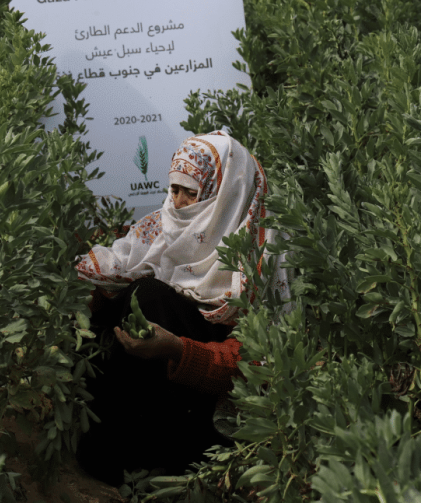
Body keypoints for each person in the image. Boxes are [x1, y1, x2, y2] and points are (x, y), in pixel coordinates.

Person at [74, 131, 292, 486]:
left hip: (207, 399)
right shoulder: (166, 227)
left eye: (192, 193)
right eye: (174, 189)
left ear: (227, 195)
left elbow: (257, 362)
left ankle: (161, 461)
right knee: (123, 301)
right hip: (163, 368)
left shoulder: (263, 254)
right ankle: (105, 451)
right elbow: (118, 263)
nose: (178, 202)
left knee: (149, 298)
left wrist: (177, 348)